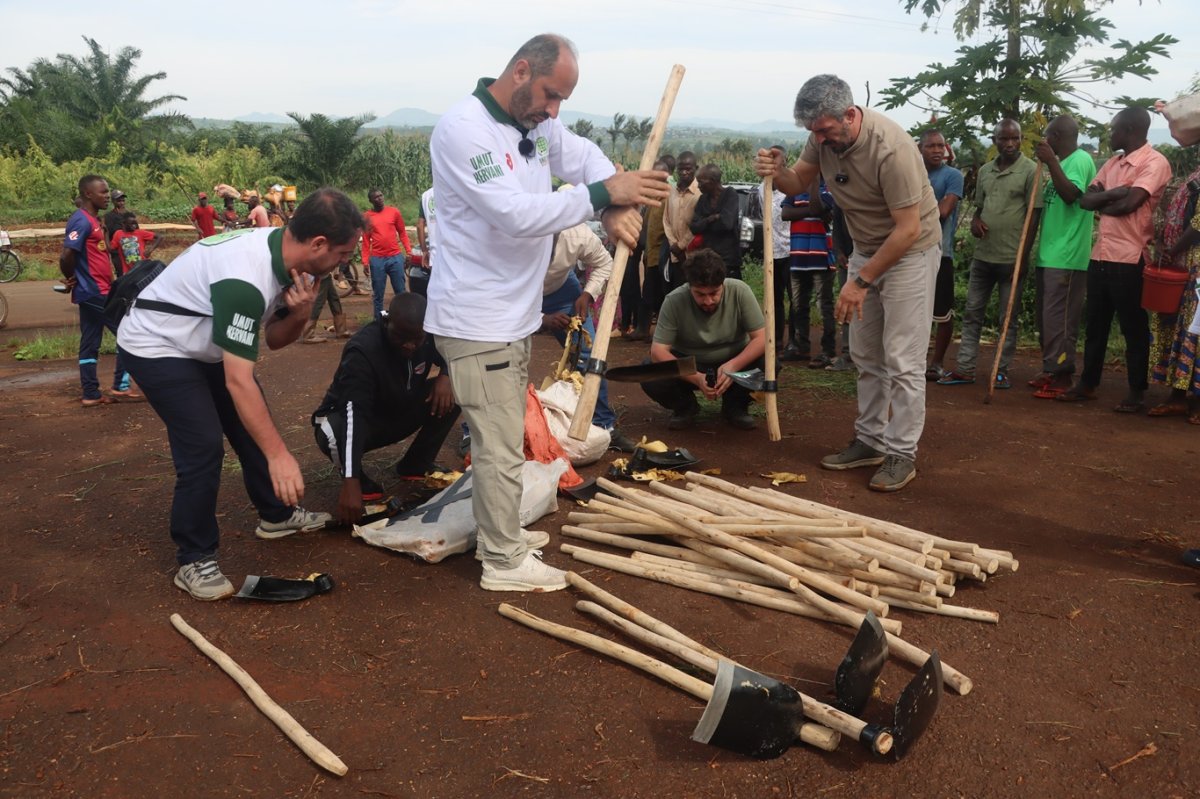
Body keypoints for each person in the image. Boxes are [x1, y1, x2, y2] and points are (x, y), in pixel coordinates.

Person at [428, 33, 668, 592]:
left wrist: (618, 202)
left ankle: (500, 532)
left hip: (510, 318)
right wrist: (605, 196)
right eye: (548, 94)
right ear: (518, 72)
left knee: (508, 438)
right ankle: (504, 563)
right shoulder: (465, 130)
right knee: (495, 445)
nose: (553, 110)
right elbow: (515, 213)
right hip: (476, 320)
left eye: (561, 100)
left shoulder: (532, 124)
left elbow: (584, 157)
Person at [116, 188, 364, 600]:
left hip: (204, 347)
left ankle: (277, 515)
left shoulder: (291, 261)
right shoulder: (245, 279)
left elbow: (276, 338)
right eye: (342, 254)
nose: (344, 263)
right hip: (158, 345)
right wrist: (280, 456)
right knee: (203, 444)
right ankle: (194, 556)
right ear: (318, 243)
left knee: (250, 425)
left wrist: (301, 312)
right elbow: (238, 381)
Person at [757, 74, 940, 492]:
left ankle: (901, 453)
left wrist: (860, 280)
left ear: (850, 115)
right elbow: (796, 183)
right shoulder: (822, 139)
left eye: (823, 130)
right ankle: (871, 440)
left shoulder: (891, 149)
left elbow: (909, 229)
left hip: (909, 252)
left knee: (902, 357)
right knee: (865, 351)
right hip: (866, 248)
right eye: (812, 132)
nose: (818, 139)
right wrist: (778, 169)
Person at [1058, 107, 1173, 412]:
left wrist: (1108, 199)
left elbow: (1132, 204)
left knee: (1133, 327)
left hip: (1131, 257)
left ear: (1131, 129)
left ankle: (1137, 391)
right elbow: (1085, 200)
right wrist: (1117, 193)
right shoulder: (1112, 163)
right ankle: (1088, 384)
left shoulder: (1154, 162)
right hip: (1102, 255)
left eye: (1114, 129)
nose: (1110, 134)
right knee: (1095, 324)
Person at [312, 292, 459, 524]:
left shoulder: (430, 334)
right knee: (332, 431)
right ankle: (357, 474)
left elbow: (454, 351)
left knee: (457, 390)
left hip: (396, 410)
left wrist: (446, 374)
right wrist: (351, 481)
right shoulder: (363, 349)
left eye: (417, 339)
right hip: (359, 419)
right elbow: (354, 413)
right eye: (401, 337)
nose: (410, 345)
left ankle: (416, 464)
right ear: (387, 322)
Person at [938, 119, 1041, 389]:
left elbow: (1034, 216)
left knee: (1007, 319)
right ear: (994, 140)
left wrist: (1023, 255)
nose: (1010, 144)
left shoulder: (1031, 170)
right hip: (983, 256)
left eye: (1015, 138)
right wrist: (974, 222)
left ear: (1020, 140)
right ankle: (965, 369)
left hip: (1011, 259)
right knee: (972, 313)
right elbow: (979, 209)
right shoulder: (985, 171)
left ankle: (1001, 371)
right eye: (1004, 139)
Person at [642, 249, 766, 430]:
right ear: (689, 285)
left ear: (723, 283)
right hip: (691, 363)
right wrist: (696, 377)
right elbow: (658, 351)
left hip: (733, 360)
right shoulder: (674, 300)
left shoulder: (740, 291)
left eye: (714, 293)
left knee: (769, 364)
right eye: (700, 294)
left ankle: (735, 407)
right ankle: (685, 407)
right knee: (649, 372)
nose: (708, 301)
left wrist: (734, 365)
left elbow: (762, 338)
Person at [541, 221, 635, 451]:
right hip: (518, 294)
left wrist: (588, 294)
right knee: (502, 358)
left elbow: (606, 263)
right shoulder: (508, 240)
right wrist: (542, 319)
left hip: (563, 288)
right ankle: (478, 435)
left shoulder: (576, 233)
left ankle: (604, 424)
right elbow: (504, 299)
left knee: (589, 355)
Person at [1029, 115, 1096, 396]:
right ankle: (1051, 369)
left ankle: (1063, 376)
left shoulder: (1080, 160)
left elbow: (1071, 195)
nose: (1045, 141)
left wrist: (1052, 162)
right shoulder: (1062, 163)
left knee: (1061, 319)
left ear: (1057, 136)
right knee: (1047, 318)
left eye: (1047, 136)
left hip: (1067, 256)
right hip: (1050, 255)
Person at [60, 175, 139, 407]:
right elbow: (67, 254)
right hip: (95, 290)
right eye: (103, 192)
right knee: (128, 331)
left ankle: (91, 394)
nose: (107, 196)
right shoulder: (82, 221)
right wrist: (71, 277)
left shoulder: (95, 221)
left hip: (95, 289)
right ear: (88, 194)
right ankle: (121, 386)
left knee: (90, 341)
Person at [1146, 163, 1200, 420]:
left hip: (1196, 266)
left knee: (1195, 330)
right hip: (1180, 264)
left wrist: (1173, 248)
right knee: (1177, 327)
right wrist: (1163, 243)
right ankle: (1177, 396)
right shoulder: (1194, 175)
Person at [920, 129, 964, 381]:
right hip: (911, 254)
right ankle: (915, 360)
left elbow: (942, 212)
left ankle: (936, 362)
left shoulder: (953, 176)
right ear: (920, 149)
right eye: (931, 146)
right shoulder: (912, 174)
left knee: (942, 312)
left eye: (941, 146)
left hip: (941, 253)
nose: (937, 150)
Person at [781, 179, 836, 367]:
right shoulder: (794, 188)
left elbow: (818, 206)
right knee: (798, 306)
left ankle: (828, 349)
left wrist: (812, 189)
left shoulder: (830, 187)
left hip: (822, 257)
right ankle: (800, 346)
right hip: (798, 256)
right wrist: (813, 212)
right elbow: (785, 213)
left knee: (824, 307)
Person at [758, 146, 793, 358]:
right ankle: (776, 340)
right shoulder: (762, 188)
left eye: (775, 160)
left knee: (795, 300)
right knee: (774, 299)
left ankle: (795, 342)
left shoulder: (791, 187)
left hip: (791, 250)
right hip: (772, 252)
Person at [362, 188, 414, 320]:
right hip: (377, 260)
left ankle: (403, 319)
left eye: (381, 195)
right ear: (371, 201)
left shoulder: (394, 212)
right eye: (376, 197)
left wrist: (408, 252)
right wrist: (365, 261)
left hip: (395, 258)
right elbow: (366, 241)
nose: (380, 199)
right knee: (378, 294)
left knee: (400, 292)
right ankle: (378, 323)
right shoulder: (367, 217)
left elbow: (402, 233)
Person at [689, 164, 742, 279]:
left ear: (712, 181)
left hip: (728, 260)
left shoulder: (730, 194)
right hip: (708, 259)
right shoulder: (703, 200)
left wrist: (704, 224)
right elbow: (693, 227)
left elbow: (726, 224)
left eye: (701, 182)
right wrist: (710, 219)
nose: (698, 186)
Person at [662, 151, 700, 292]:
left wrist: (682, 245)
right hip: (674, 255)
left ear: (696, 168)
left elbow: (698, 224)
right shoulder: (671, 191)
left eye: (688, 169)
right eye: (681, 169)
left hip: (693, 255)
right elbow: (666, 220)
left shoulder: (700, 192)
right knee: (676, 293)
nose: (684, 172)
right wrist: (674, 245)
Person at [413, 187, 437, 296]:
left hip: (435, 255)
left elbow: (420, 225)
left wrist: (424, 250)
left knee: (436, 289)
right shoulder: (453, 188)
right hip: (454, 253)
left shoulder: (425, 196)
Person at [103, 190, 128, 277]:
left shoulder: (129, 214)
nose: (121, 203)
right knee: (120, 273)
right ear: (113, 201)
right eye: (119, 200)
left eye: (123, 200)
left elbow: (136, 230)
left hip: (130, 248)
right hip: (117, 251)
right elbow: (108, 232)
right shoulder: (109, 216)